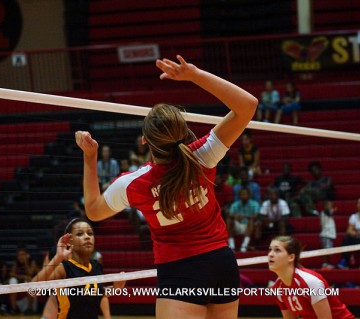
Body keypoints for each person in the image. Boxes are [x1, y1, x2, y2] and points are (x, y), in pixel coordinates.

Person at [75, 55, 258, 319]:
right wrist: (194, 74)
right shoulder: (203, 155)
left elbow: (92, 211)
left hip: (180, 271)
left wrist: (90, 158)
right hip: (221, 264)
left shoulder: (133, 184)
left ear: (144, 141)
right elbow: (248, 105)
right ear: (183, 133)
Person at [32, 218, 125, 319]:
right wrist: (58, 257)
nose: (87, 237)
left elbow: (95, 293)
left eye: (90, 233)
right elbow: (32, 291)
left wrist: (116, 288)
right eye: (80, 234)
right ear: (70, 241)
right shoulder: (64, 268)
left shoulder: (96, 266)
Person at [268, 236, 355, 319]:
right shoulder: (278, 288)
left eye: (277, 250)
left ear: (291, 257)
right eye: (270, 250)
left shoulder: (310, 281)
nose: (270, 254)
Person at [8, 247, 40, 314]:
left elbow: (30, 273)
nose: (21, 256)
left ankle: (29, 308)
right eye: (19, 255)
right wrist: (22, 276)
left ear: (27, 255)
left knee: (29, 282)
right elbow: (12, 274)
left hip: (33, 281)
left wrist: (26, 262)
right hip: (21, 280)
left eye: (23, 254)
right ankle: (14, 309)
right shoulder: (16, 262)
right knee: (12, 281)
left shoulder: (32, 262)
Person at [227, 188, 260, 252]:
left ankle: (244, 246)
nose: (243, 196)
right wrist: (238, 217)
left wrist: (241, 216)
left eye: (245, 194)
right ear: (239, 196)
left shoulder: (254, 204)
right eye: (242, 194)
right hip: (238, 226)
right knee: (229, 220)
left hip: (249, 227)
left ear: (249, 195)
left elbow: (255, 216)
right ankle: (232, 246)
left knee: (251, 220)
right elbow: (230, 214)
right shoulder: (235, 204)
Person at [319, 201, 336, 270]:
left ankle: (327, 264)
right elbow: (329, 212)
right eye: (329, 205)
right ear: (325, 206)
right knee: (326, 251)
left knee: (328, 251)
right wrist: (333, 210)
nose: (331, 206)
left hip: (328, 235)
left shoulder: (326, 213)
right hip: (326, 235)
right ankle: (325, 264)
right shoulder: (325, 212)